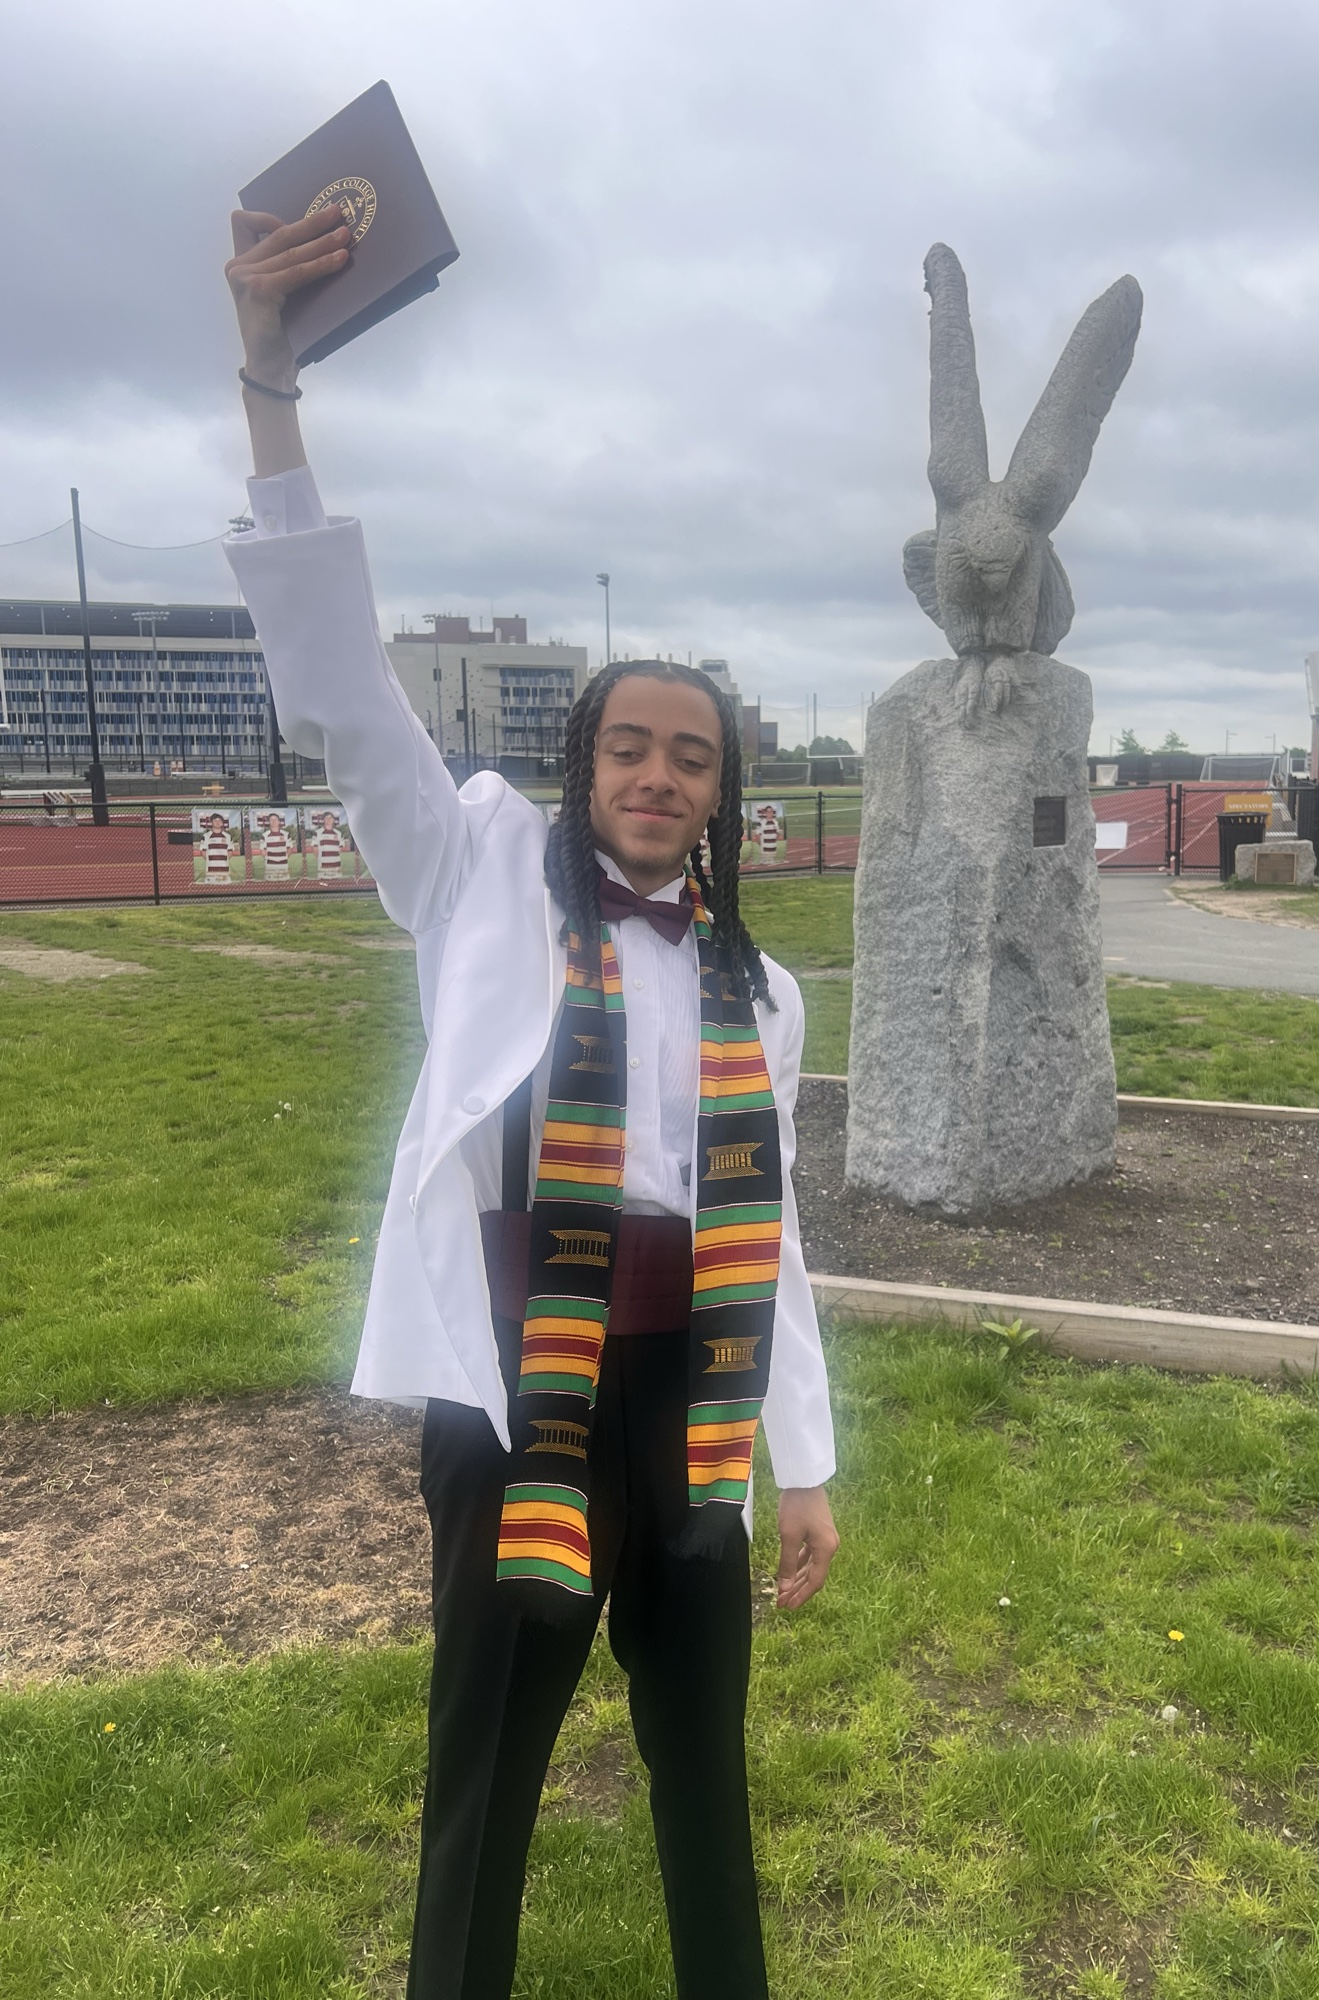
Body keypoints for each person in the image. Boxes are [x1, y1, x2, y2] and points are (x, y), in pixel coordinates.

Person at [223, 205, 838, 2000]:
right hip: (520, 1387)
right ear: (584, 764)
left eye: (692, 757)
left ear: (722, 794)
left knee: (703, 1761)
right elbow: (343, 694)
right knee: (486, 1762)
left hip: (694, 1394)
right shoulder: (474, 870)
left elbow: (777, 1236)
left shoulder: (764, 992)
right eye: (628, 745)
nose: (658, 775)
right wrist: (271, 389)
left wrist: (804, 1458)